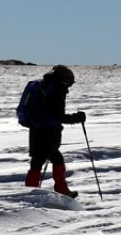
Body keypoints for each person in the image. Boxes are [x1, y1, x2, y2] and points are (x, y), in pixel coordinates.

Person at [21, 65, 86, 197]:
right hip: (48, 132)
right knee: (54, 160)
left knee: (38, 161)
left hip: (35, 129)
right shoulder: (57, 89)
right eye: (69, 83)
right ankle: (57, 190)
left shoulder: (43, 86)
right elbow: (57, 116)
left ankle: (31, 191)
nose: (69, 87)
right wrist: (76, 118)